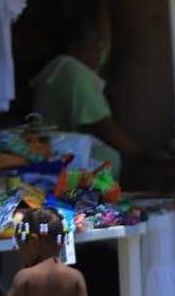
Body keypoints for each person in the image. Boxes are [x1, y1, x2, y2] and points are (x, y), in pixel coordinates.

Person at [31, 11, 141, 178]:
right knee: (107, 158)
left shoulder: (57, 68)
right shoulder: (72, 69)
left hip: (52, 155)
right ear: (76, 46)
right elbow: (99, 124)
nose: (99, 51)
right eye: (95, 44)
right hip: (61, 160)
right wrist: (136, 154)